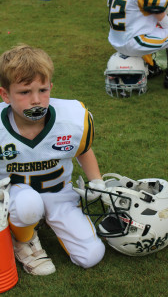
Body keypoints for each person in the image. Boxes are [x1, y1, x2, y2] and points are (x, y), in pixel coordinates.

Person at [0, 45, 106, 275]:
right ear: (5, 94)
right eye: (24, 92)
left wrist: (96, 181)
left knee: (91, 256)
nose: (36, 100)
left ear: (51, 88)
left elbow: (83, 149)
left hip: (58, 193)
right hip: (14, 197)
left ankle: (45, 219)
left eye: (43, 90)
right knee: (28, 203)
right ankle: (23, 240)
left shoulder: (73, 118)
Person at [107, 0, 168, 89]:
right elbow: (159, 14)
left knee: (150, 26)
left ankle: (150, 66)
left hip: (116, 41)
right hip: (135, 43)